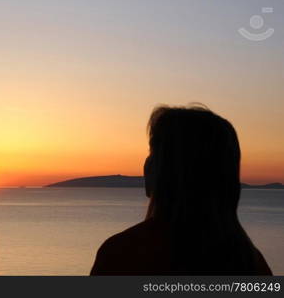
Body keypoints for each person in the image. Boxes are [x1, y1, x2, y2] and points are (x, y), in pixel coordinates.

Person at [90, 104, 272, 275]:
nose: (146, 163)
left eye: (152, 153)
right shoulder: (252, 263)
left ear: (163, 170)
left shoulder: (123, 255)